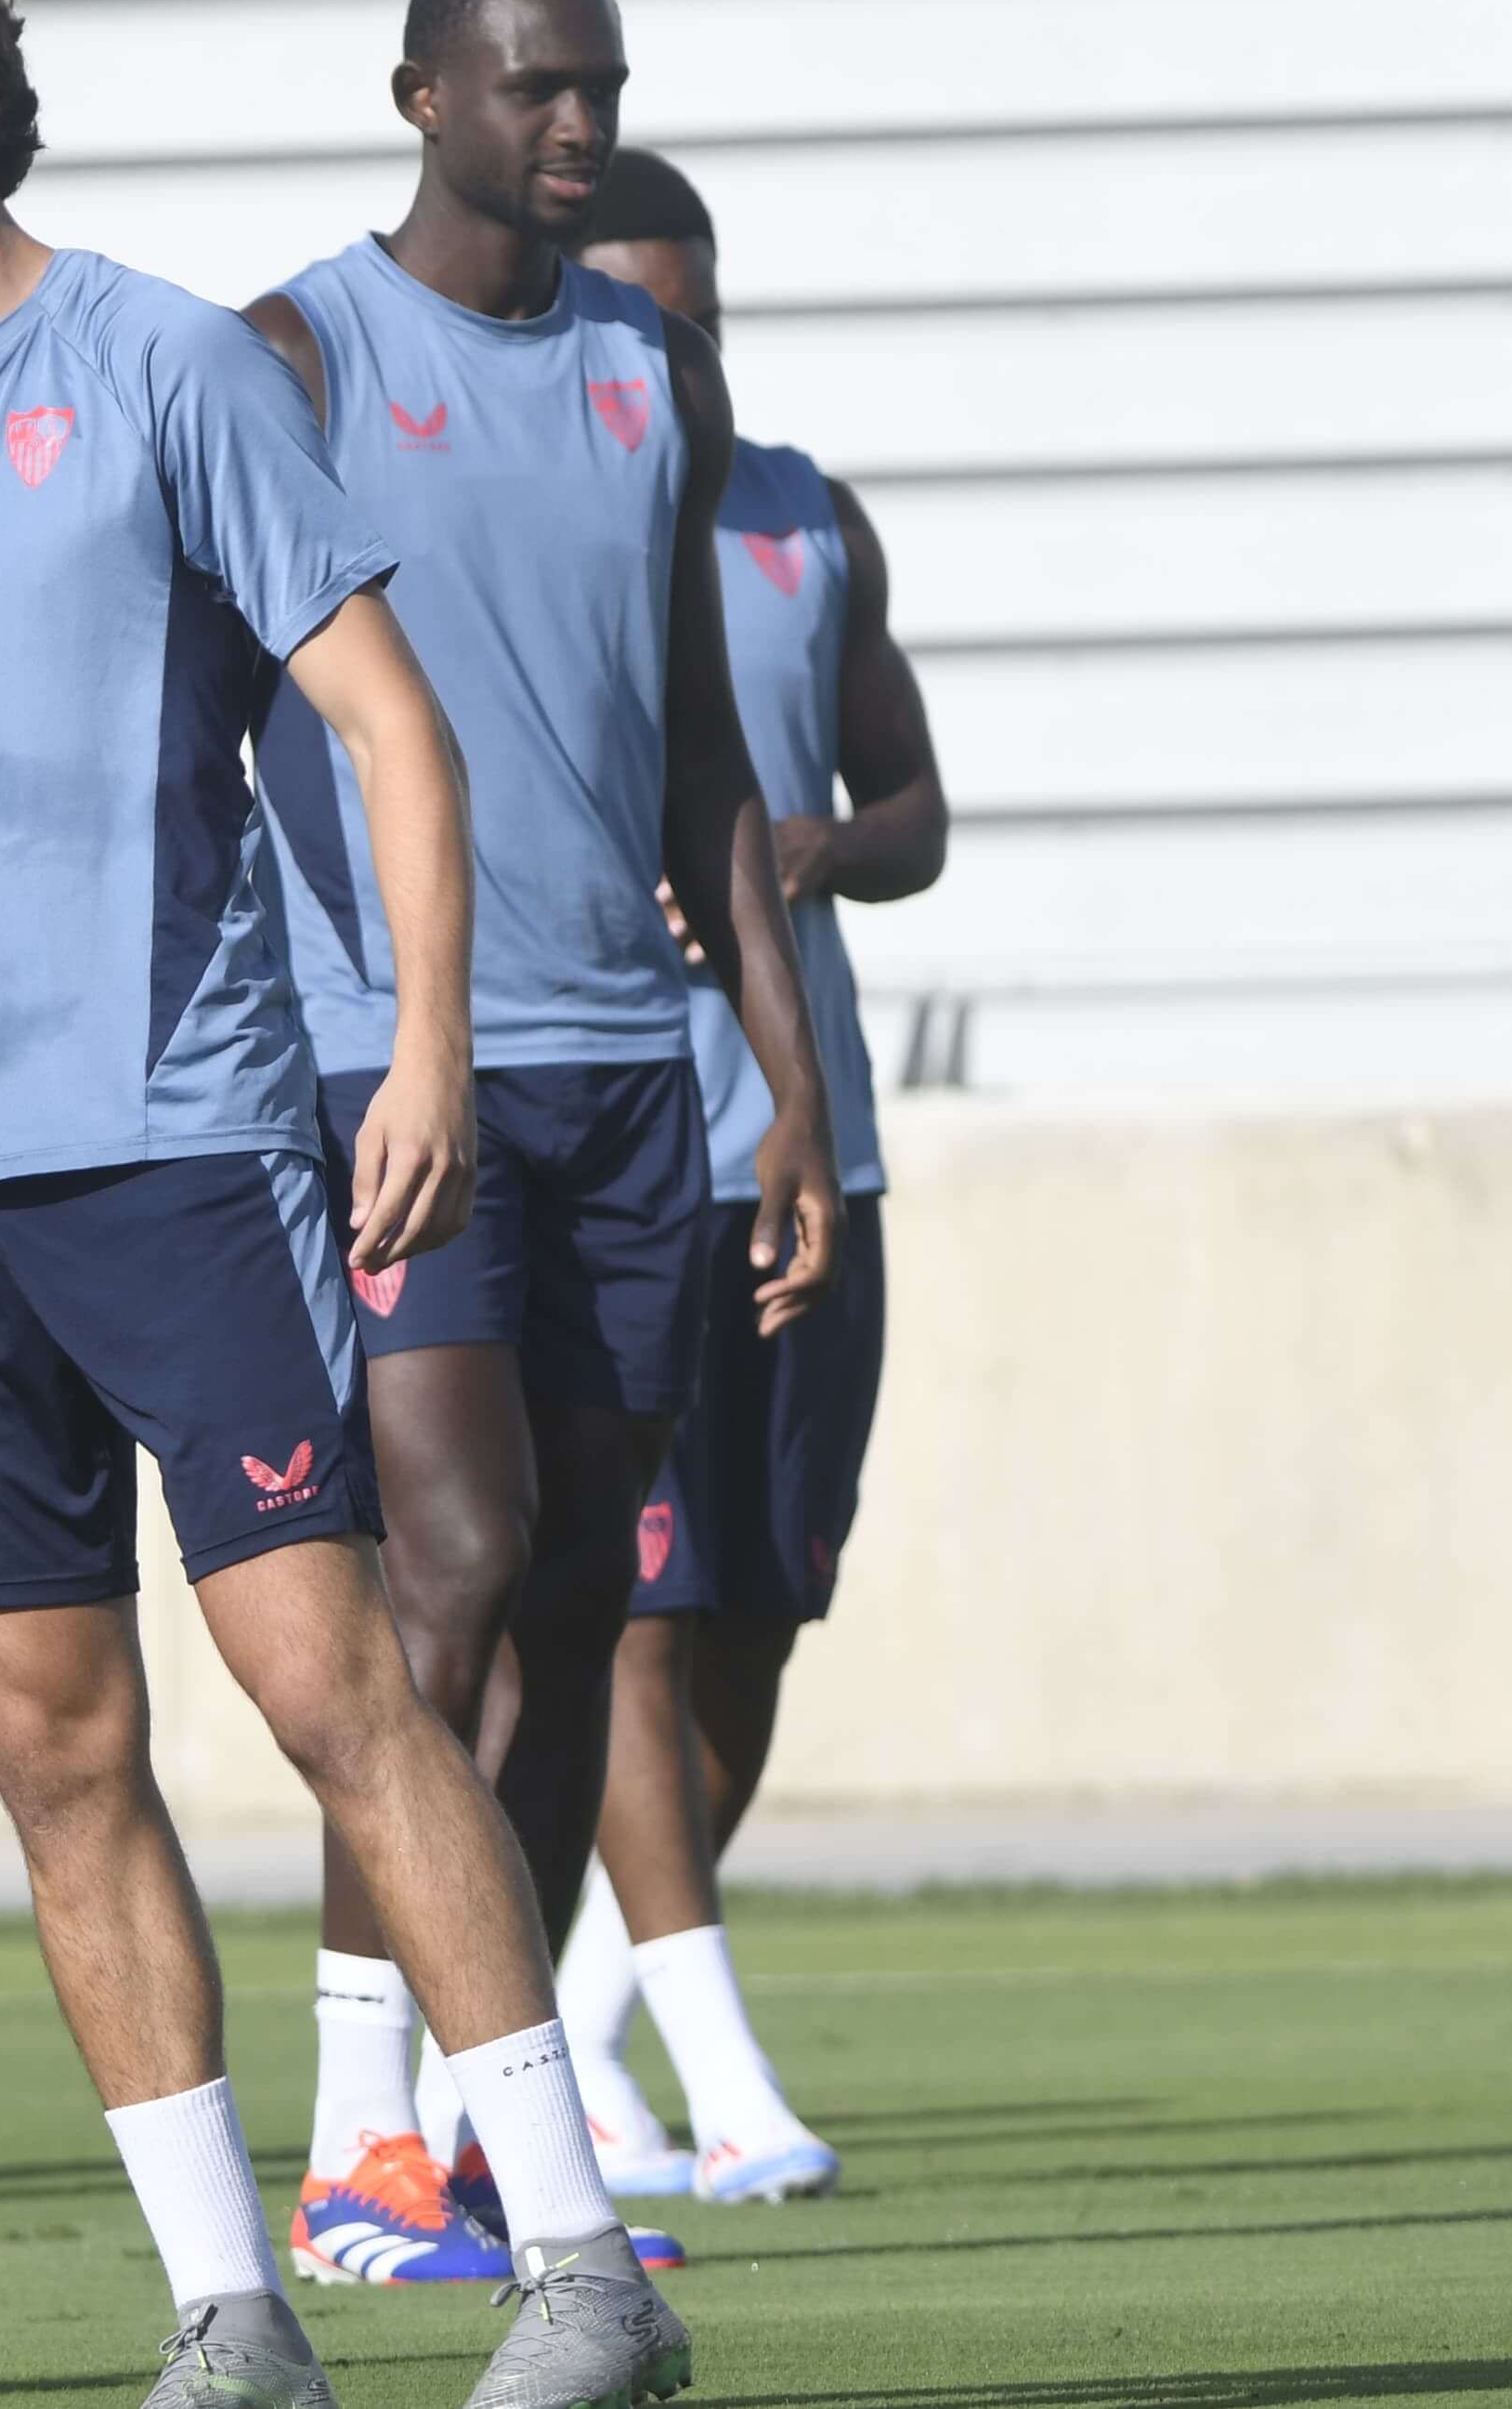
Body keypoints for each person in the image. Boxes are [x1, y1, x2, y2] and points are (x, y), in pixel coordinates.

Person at [0, 0, 697, 2409]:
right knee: (52, 1742)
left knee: (329, 1678)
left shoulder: (161, 363)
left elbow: (391, 724)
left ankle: (583, 2265)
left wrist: (427, 1042)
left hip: (170, 1142)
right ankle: (231, 2311)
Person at [246, 0, 839, 2285]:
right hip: (396, 1068)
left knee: (589, 1595)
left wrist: (786, 1094)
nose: (575, 121)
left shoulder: (648, 367)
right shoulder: (300, 352)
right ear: (422, 96)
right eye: (531, 86)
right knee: (452, 1566)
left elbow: (706, 755)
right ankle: (352, 2145)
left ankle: (494, 2135)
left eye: (600, 83)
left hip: (629, 1082)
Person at [556, 151, 945, 2211]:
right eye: (635, 318)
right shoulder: (537, 517)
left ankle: (577, 2039)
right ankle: (721, 2086)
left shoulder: (807, 519)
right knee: (631, 1611)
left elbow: (914, 808)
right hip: (624, 1149)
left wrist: (813, 849)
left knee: (754, 1622)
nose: (671, 353)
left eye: (692, 317)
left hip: (819, 1144)